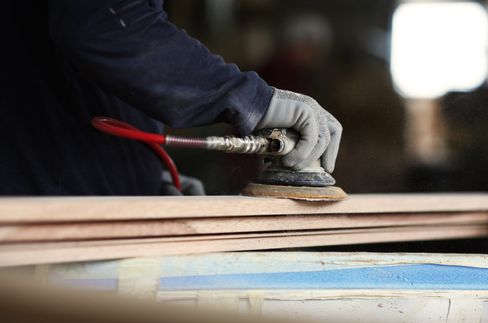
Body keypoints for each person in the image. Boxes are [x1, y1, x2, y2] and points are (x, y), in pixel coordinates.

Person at [0, 0, 342, 196]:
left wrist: (143, 173)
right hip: (39, 222)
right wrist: (253, 100)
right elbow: (105, 23)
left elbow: (93, 68)